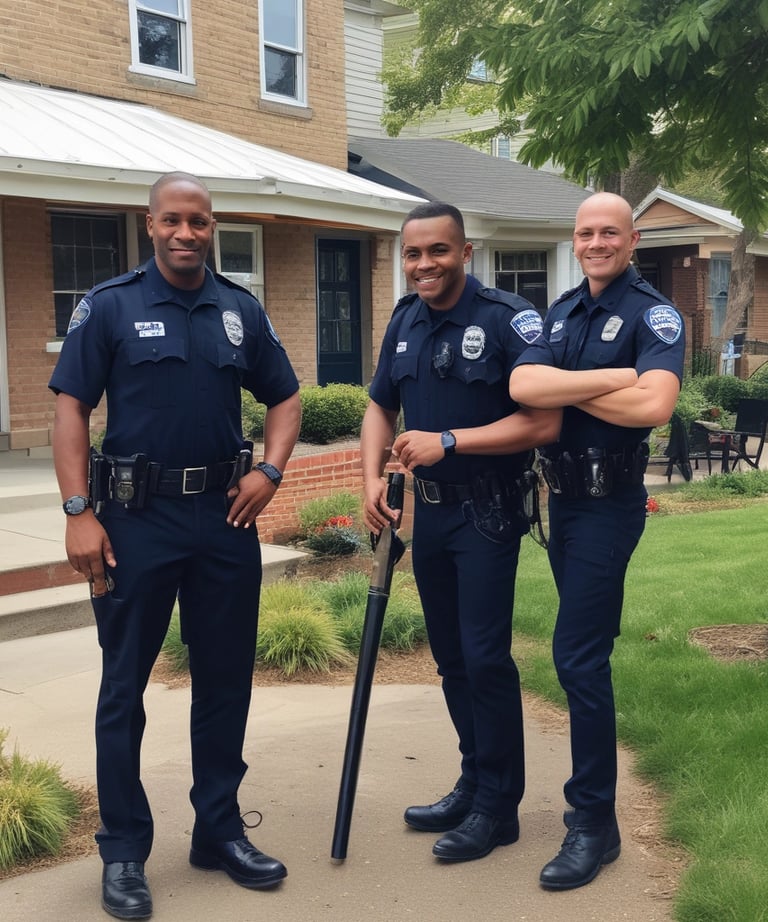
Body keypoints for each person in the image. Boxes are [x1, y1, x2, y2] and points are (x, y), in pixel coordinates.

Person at [49, 172, 301, 920]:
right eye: (173, 221)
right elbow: (70, 407)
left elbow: (283, 396)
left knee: (226, 681)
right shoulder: (110, 306)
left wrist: (271, 470)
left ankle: (218, 830)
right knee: (123, 688)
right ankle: (124, 849)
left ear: (211, 225)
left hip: (224, 520)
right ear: (150, 223)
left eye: (199, 221)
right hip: (133, 522)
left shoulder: (239, 309)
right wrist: (76, 511)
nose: (187, 233)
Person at [361, 201, 561, 864]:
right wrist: (370, 481)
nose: (424, 264)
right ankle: (475, 780)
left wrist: (451, 439)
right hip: (432, 515)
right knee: (449, 660)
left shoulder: (506, 319)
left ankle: (498, 808)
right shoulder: (403, 320)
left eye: (437, 251)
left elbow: (543, 423)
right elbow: (378, 405)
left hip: (487, 511)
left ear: (465, 251)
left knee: (484, 658)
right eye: (413, 253)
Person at [509, 191, 685, 891]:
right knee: (589, 650)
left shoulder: (653, 313)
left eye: (610, 231)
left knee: (577, 657)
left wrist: (568, 388)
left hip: (611, 502)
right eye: (586, 232)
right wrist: (613, 377)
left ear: (632, 238)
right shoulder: (561, 311)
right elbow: (524, 385)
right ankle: (594, 816)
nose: (596, 242)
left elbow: (655, 403)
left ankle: (593, 824)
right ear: (574, 240)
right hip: (564, 503)